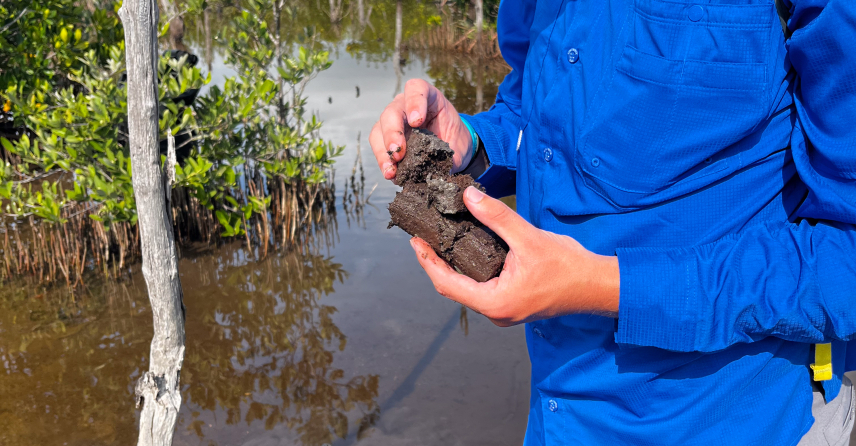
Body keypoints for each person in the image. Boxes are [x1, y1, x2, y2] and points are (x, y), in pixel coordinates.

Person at [370, 0, 856, 444]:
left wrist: (605, 286)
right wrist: (473, 144)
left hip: (734, 420)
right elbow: (538, 119)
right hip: (555, 416)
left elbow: (845, 263)